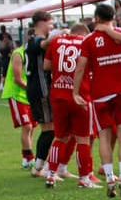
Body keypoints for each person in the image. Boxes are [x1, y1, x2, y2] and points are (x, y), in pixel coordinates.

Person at [73, 4, 121, 198]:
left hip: (101, 92)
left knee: (104, 136)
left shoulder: (89, 39)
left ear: (97, 18)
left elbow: (80, 67)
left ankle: (110, 178)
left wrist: (75, 92)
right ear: (112, 17)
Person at [43, 23, 100, 189]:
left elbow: (46, 66)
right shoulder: (86, 43)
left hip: (59, 94)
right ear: (84, 33)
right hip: (80, 96)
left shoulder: (56, 41)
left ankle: (51, 174)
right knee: (83, 139)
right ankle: (84, 178)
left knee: (60, 137)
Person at [25, 11, 55, 178]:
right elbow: (43, 44)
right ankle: (38, 168)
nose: (52, 27)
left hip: (41, 88)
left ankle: (44, 166)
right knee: (49, 129)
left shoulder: (33, 40)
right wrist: (59, 34)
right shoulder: (35, 40)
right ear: (42, 23)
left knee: (52, 129)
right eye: (51, 23)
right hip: (41, 89)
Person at [1, 35, 36, 169]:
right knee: (27, 126)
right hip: (17, 94)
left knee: (32, 127)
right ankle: (29, 158)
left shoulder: (35, 54)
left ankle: (27, 158)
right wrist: (32, 89)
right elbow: (17, 79)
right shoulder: (18, 54)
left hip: (29, 95)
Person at [0, 25, 14, 91]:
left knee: (8, 72)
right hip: (5, 59)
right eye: (4, 38)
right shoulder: (2, 46)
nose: (5, 39)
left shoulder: (9, 44)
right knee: (4, 72)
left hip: (8, 59)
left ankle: (4, 85)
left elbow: (12, 49)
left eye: (6, 38)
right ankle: (2, 85)